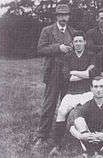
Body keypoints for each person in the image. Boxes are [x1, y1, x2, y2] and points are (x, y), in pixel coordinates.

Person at [48, 31, 98, 156]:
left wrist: (74, 72)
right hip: (71, 92)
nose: (78, 43)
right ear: (72, 43)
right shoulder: (67, 57)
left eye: (80, 41)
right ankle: (57, 144)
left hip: (87, 91)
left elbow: (92, 75)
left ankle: (93, 144)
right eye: (76, 41)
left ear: (85, 42)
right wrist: (85, 73)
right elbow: (67, 78)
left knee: (90, 113)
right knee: (61, 111)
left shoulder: (91, 55)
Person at [34, 3, 76, 147]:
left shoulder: (73, 31)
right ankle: (42, 135)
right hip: (53, 72)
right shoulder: (47, 30)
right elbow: (40, 49)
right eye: (60, 15)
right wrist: (59, 48)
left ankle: (64, 134)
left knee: (67, 104)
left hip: (69, 74)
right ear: (56, 16)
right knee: (49, 104)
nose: (63, 18)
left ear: (69, 16)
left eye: (65, 15)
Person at [69, 76, 103, 158]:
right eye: (96, 87)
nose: (98, 90)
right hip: (90, 139)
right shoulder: (87, 105)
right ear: (91, 88)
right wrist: (80, 136)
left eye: (101, 86)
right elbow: (72, 125)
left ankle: (91, 153)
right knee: (79, 120)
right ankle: (95, 152)